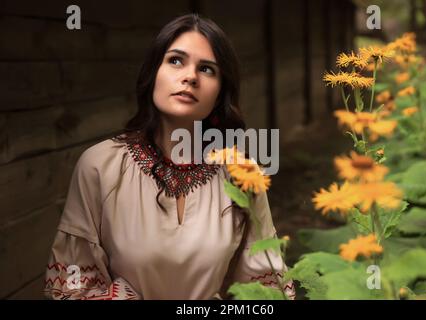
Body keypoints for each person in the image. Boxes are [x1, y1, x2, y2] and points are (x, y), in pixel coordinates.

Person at [44, 13, 295, 300]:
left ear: (220, 92)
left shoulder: (242, 173)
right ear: (153, 73)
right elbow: (72, 289)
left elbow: (266, 292)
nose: (190, 76)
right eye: (176, 60)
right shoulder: (99, 166)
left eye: (207, 69)